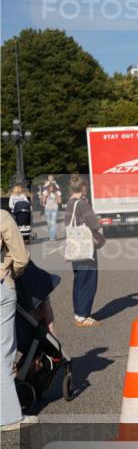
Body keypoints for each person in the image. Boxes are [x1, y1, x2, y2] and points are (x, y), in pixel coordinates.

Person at [1, 209, 36, 431]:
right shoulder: (2, 216)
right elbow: (21, 257)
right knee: (3, 354)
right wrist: (14, 270)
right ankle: (9, 416)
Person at [65, 179, 105, 326]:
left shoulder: (70, 203)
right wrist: (99, 222)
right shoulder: (82, 203)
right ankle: (83, 315)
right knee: (88, 281)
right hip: (85, 248)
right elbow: (93, 224)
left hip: (75, 247)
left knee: (79, 281)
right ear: (82, 188)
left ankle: (78, 313)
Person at [42, 176, 62, 242]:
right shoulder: (46, 191)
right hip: (47, 209)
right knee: (49, 223)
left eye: (52, 187)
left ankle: (52, 237)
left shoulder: (56, 190)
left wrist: (56, 195)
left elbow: (59, 201)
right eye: (50, 187)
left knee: (53, 223)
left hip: (54, 209)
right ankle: (53, 235)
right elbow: (43, 200)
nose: (51, 188)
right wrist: (45, 197)